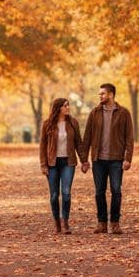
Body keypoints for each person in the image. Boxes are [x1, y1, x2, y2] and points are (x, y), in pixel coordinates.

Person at [79, 83, 134, 234]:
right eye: (99, 94)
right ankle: (102, 223)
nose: (100, 96)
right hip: (98, 160)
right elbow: (87, 137)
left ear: (111, 94)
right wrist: (84, 160)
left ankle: (115, 223)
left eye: (102, 94)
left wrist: (128, 158)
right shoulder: (94, 113)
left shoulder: (124, 113)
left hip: (116, 159)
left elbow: (129, 137)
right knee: (99, 191)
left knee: (116, 191)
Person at [39, 97, 82, 234]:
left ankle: (65, 223)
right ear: (58, 108)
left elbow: (78, 143)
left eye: (68, 105)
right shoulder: (47, 124)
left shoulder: (73, 123)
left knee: (66, 193)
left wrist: (84, 160)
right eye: (65, 106)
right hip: (52, 163)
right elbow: (43, 146)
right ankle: (57, 221)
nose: (68, 108)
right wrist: (43, 165)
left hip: (68, 162)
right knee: (54, 195)